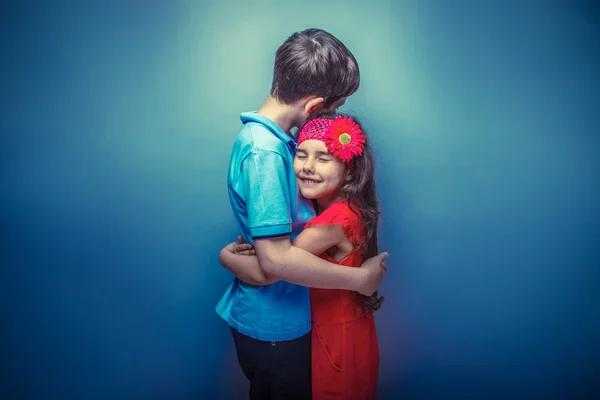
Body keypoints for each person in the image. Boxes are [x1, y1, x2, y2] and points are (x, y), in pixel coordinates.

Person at [215, 29, 388, 400]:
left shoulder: (281, 144)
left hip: (288, 316)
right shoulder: (266, 153)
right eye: (334, 108)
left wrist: (229, 257)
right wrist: (359, 279)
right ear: (313, 107)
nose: (335, 116)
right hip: (273, 324)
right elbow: (274, 262)